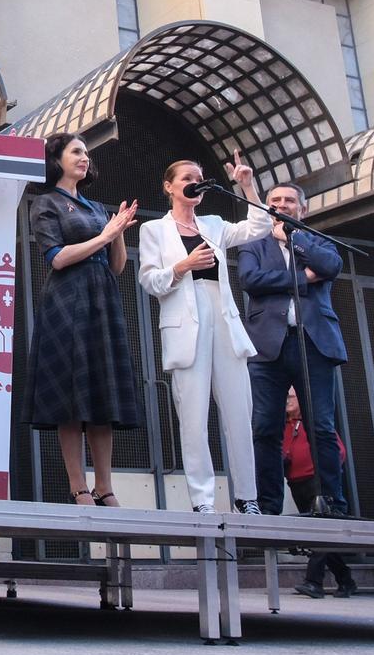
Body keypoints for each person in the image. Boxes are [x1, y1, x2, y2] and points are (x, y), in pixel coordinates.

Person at [136, 155, 268, 513]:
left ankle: (247, 497)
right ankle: (203, 500)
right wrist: (183, 266)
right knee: (193, 418)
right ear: (169, 186)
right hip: (186, 324)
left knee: (240, 413)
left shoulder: (214, 224)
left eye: (200, 177)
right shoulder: (154, 231)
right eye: (187, 177)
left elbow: (260, 226)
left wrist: (247, 185)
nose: (196, 181)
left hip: (223, 320)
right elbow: (149, 281)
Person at [24, 134, 139, 506]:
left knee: (102, 393)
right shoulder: (45, 203)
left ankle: (105, 486)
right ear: (57, 159)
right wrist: (104, 234)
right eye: (76, 151)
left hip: (102, 299)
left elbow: (117, 266)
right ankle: (78, 486)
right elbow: (56, 257)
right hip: (67, 301)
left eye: (86, 153)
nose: (84, 158)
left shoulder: (94, 206)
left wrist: (117, 233)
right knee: (70, 396)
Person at [238, 182, 348, 517]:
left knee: (322, 426)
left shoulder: (316, 240)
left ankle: (332, 501)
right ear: (266, 207)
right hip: (267, 344)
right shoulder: (253, 243)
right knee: (265, 427)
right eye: (275, 201)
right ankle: (269, 504)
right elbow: (251, 280)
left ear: (302, 208)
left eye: (289, 200)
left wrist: (293, 238)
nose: (282, 205)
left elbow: (330, 266)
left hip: (312, 342)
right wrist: (304, 278)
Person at [285, 389, 354, 598]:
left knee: (319, 531)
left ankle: (314, 582)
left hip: (317, 482)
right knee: (316, 534)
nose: (287, 401)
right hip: (296, 483)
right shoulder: (284, 426)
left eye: (291, 397)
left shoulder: (316, 423)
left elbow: (338, 451)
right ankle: (346, 579)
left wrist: (326, 476)